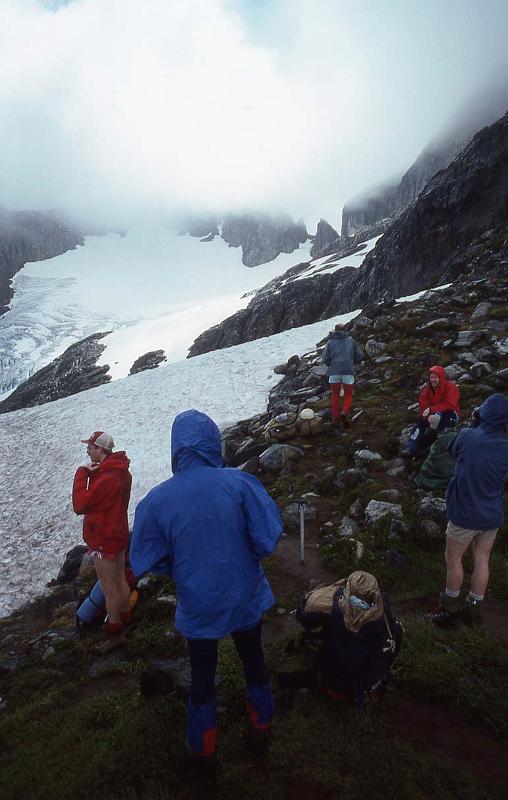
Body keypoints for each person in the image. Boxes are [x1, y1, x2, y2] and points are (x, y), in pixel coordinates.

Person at [130, 410, 283, 761]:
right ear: (213, 442)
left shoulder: (156, 501)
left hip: (197, 601)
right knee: (253, 658)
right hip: (244, 593)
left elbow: (149, 558)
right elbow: (267, 539)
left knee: (201, 672)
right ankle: (261, 723)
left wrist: (180, 568)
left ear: (177, 448)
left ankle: (204, 744)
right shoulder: (240, 483)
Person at [429, 394, 508, 626]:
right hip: (491, 514)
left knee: (453, 559)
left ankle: (449, 609)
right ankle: (473, 608)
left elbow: (453, 449)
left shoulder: (467, 436)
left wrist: (474, 425)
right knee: (482, 559)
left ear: (483, 414)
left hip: (464, 514)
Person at [278, 571, 403, 708]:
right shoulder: (385, 614)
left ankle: (282, 682)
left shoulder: (336, 607)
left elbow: (303, 616)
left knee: (328, 641)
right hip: (364, 686)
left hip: (332, 683)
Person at [72, 431, 132, 639]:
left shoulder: (107, 479)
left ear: (100, 449)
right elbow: (108, 501)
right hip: (118, 534)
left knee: (109, 588)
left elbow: (80, 505)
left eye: (90, 447)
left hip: (103, 540)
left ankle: (114, 628)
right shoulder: (121, 472)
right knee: (120, 579)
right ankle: (126, 616)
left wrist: (82, 473)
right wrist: (94, 475)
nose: (88, 451)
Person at [401, 365, 460, 457]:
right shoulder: (426, 391)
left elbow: (450, 404)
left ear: (441, 377)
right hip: (432, 415)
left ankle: (435, 443)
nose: (433, 380)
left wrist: (432, 410)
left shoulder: (450, 387)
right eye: (431, 377)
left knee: (439, 417)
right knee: (420, 424)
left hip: (450, 414)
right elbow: (423, 407)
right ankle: (410, 447)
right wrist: (426, 415)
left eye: (436, 377)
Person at [321, 323, 364, 426]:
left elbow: (325, 358)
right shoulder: (350, 341)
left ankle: (336, 418)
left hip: (334, 372)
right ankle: (344, 413)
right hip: (348, 371)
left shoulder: (330, 342)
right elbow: (359, 356)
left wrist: (331, 364)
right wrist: (351, 362)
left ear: (335, 331)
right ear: (345, 330)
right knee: (348, 395)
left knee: (335, 395)